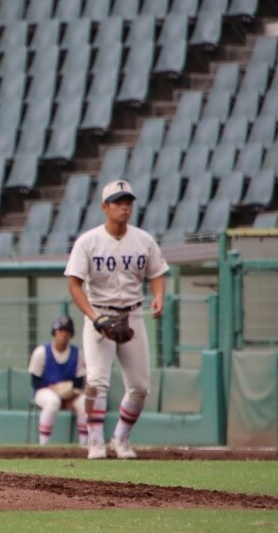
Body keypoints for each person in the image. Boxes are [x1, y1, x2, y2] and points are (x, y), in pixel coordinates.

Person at [65, 180, 168, 460]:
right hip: (99, 312)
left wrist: (158, 296)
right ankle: (95, 440)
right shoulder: (88, 241)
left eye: (128, 202)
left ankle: (120, 438)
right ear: (105, 207)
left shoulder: (143, 240)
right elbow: (74, 284)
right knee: (97, 380)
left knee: (140, 387)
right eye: (118, 202)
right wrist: (94, 317)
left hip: (132, 314)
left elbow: (157, 273)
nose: (125, 207)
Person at [29, 315, 87, 446]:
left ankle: (84, 444)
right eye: (60, 330)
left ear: (71, 334)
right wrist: (54, 390)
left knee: (84, 402)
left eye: (67, 331)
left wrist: (68, 396)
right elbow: (35, 381)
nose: (63, 334)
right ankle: (44, 444)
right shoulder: (42, 352)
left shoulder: (77, 353)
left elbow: (79, 383)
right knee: (52, 401)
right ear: (54, 332)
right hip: (44, 391)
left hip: (70, 393)